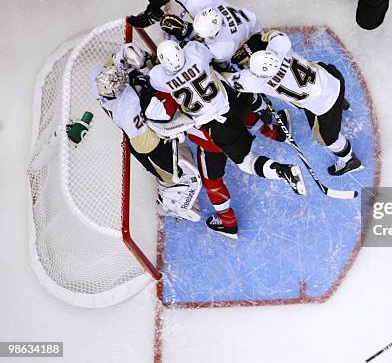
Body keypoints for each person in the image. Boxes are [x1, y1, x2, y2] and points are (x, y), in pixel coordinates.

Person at [148, 39, 307, 237]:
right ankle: (275, 131)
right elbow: (206, 51)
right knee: (246, 112)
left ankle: (228, 221)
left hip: (213, 135)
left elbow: (156, 103)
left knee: (214, 179)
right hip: (232, 105)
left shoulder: (159, 80)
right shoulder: (194, 52)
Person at [91, 42, 202, 222]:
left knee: (161, 167)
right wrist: (167, 133)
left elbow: (110, 64)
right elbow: (151, 131)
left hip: (134, 136)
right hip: (146, 144)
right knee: (167, 173)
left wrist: (122, 56)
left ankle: (169, 196)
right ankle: (175, 203)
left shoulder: (97, 80)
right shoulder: (128, 105)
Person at [230, 30, 363, 176]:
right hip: (332, 75)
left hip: (326, 104)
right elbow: (272, 35)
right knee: (320, 75)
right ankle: (341, 102)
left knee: (326, 138)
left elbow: (229, 80)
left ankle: (349, 159)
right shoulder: (281, 46)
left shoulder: (255, 82)